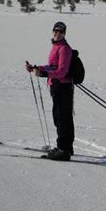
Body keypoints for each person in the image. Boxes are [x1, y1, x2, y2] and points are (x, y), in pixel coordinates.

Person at [26, 21, 74, 161]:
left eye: (61, 31)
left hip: (62, 87)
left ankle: (63, 150)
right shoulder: (56, 46)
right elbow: (52, 67)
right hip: (57, 86)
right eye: (55, 30)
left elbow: (62, 71)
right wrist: (37, 67)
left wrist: (43, 74)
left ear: (64, 33)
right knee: (60, 117)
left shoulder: (64, 48)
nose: (57, 33)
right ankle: (66, 147)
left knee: (62, 118)